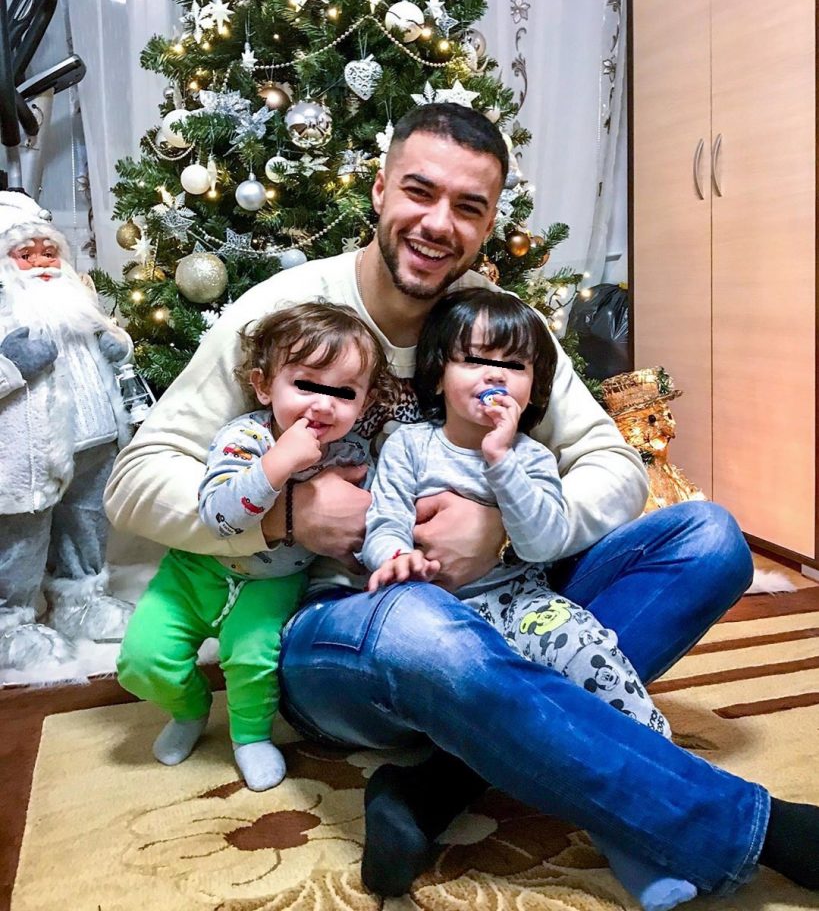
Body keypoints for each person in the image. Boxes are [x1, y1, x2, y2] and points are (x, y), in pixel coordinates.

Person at [105, 103, 819, 902]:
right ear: (379, 190)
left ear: (486, 224)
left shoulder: (495, 325)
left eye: (468, 206)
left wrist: (505, 530)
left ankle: (442, 781)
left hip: (499, 602)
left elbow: (612, 464)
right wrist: (286, 514)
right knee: (420, 623)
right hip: (337, 635)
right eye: (419, 192)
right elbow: (133, 482)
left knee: (709, 539)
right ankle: (752, 831)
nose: (438, 223)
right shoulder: (287, 312)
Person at [362, 286, 697, 911]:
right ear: (437, 373)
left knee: (592, 654)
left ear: (534, 385)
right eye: (473, 359)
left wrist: (501, 462)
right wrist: (394, 555)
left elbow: (542, 541)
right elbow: (382, 521)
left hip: (520, 598)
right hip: (437, 615)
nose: (494, 375)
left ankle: (641, 822)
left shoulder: (531, 456)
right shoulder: (409, 445)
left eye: (512, 365)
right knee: (515, 702)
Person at [117, 302, 394, 790]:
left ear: (365, 402)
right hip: (195, 572)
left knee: (252, 661)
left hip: (272, 582)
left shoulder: (351, 453)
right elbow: (218, 516)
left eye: (344, 392)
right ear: (265, 386)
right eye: (306, 385)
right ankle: (189, 710)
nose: (323, 405)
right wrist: (279, 463)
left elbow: (363, 522)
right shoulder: (245, 437)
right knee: (143, 660)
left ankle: (249, 737)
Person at [0, 191, 134, 671]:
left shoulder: (75, 297)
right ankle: (10, 622)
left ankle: (82, 600)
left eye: (49, 251)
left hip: (94, 440)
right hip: (28, 454)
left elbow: (111, 337)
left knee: (86, 525)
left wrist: (119, 346)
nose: (42, 262)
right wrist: (11, 366)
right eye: (27, 253)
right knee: (22, 538)